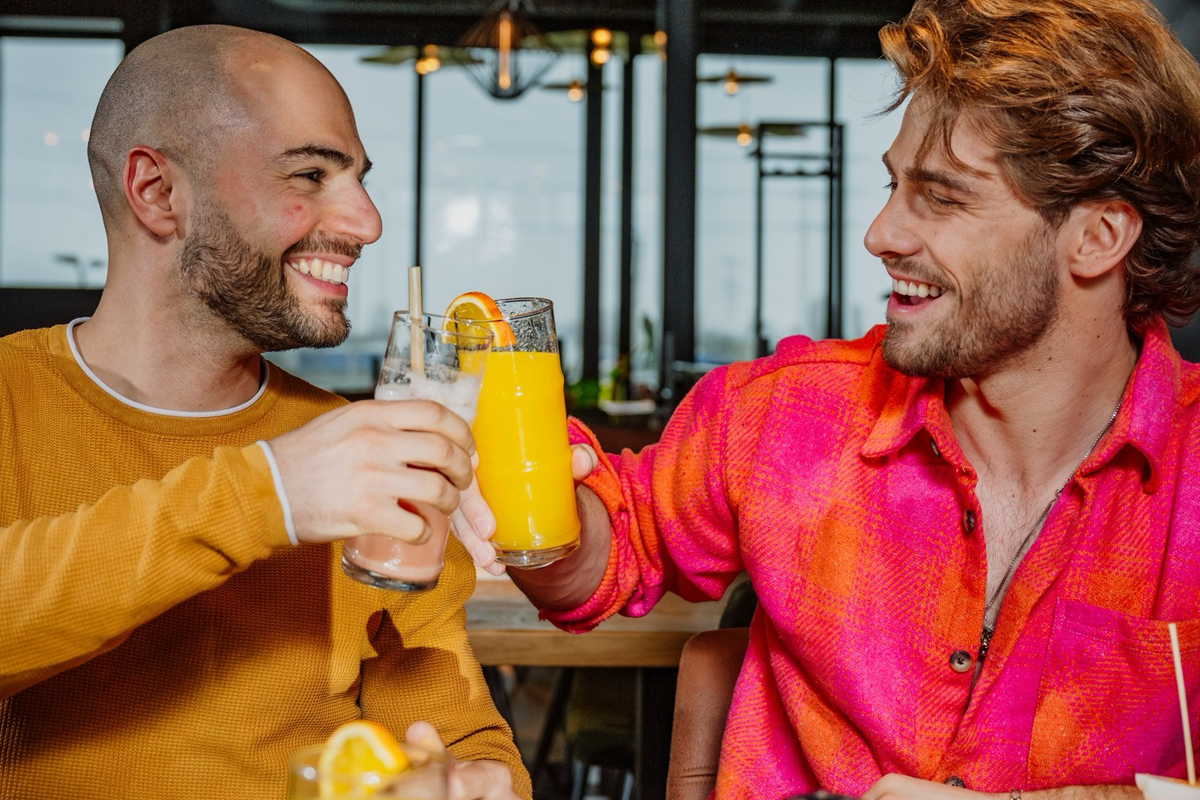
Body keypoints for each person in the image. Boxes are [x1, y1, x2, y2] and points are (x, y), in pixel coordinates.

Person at [483, 0, 1200, 797]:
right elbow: (602, 558)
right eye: (894, 185)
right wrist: (521, 492)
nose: (880, 233)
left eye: (942, 197)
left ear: (1098, 236)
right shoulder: (782, 414)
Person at [0, 25, 526, 800]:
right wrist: (269, 493)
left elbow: (457, 732)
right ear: (158, 192)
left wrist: (480, 782)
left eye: (358, 180)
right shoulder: (13, 398)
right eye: (310, 174)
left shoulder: (366, 456)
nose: (367, 223)